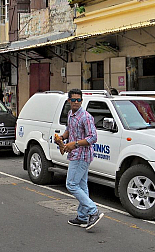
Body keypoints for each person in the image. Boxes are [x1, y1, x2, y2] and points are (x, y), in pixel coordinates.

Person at [58, 89, 103, 230]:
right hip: (74, 155)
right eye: (73, 100)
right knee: (82, 186)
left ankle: (93, 211)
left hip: (82, 156)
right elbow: (69, 130)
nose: (76, 102)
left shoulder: (86, 117)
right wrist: (62, 138)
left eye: (79, 100)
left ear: (82, 101)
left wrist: (75, 144)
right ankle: (83, 217)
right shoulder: (71, 114)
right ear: (69, 101)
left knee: (71, 184)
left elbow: (93, 137)